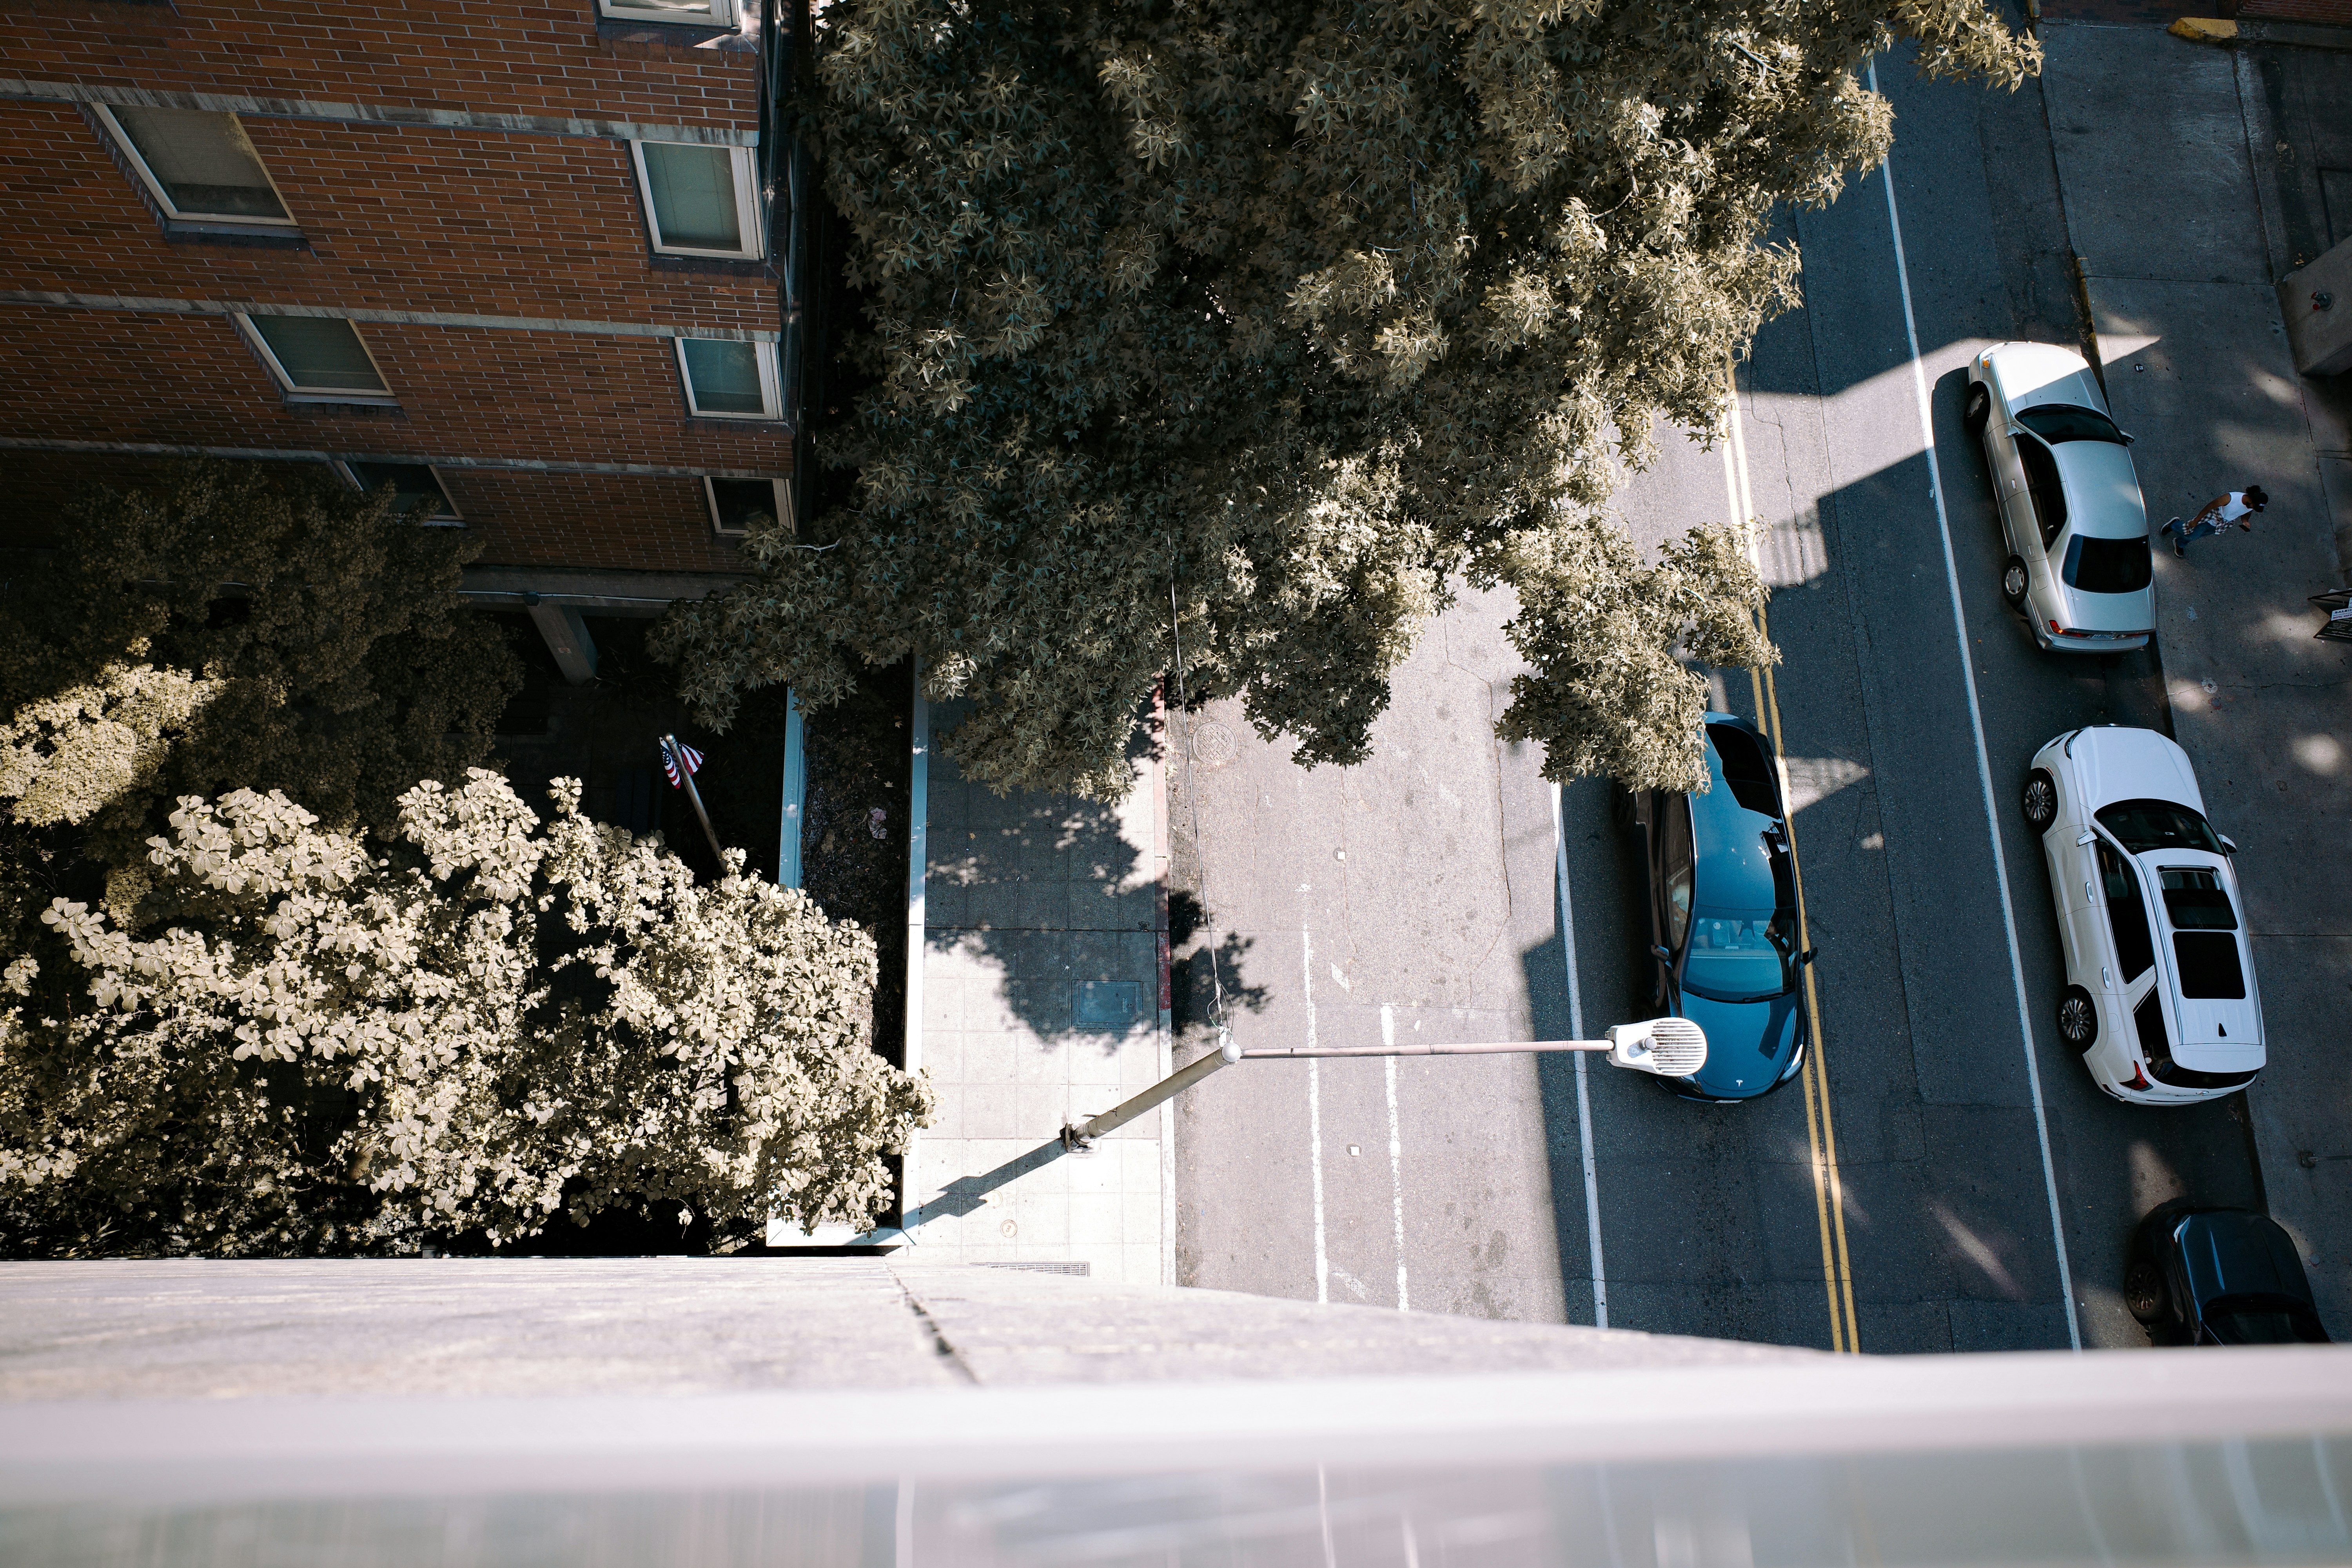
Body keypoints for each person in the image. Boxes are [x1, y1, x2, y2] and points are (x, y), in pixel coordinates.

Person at [2161, 486, 2267, 557]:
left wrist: (2245, 522)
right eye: (2255, 506)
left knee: (2197, 536)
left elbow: (2246, 514)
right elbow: (2210, 506)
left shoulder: (2251, 506)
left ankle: (2179, 543)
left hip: (2221, 524)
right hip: (2211, 518)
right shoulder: (2231, 498)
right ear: (2251, 500)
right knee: (2192, 535)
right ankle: (2174, 525)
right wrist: (2197, 520)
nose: (2254, 509)